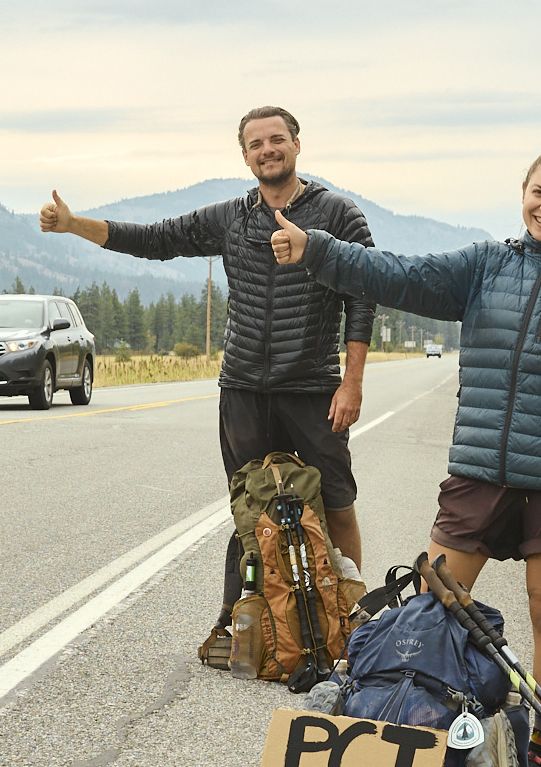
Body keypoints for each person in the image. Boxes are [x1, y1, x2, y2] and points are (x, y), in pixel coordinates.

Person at [270, 145, 541, 767]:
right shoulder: (486, 264)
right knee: (436, 600)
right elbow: (397, 274)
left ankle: (540, 745)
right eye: (539, 192)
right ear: (523, 191)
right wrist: (316, 249)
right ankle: (412, 720)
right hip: (481, 466)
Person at [39, 105, 376, 635]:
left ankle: (356, 616)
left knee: (335, 502)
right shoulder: (230, 218)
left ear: (296, 144)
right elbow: (154, 239)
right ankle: (239, 620)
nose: (267, 150)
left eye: (277, 140)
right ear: (244, 156)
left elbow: (363, 296)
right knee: (249, 508)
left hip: (313, 386)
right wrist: (74, 224)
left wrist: (351, 382)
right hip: (242, 387)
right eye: (256, 144)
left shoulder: (339, 214)